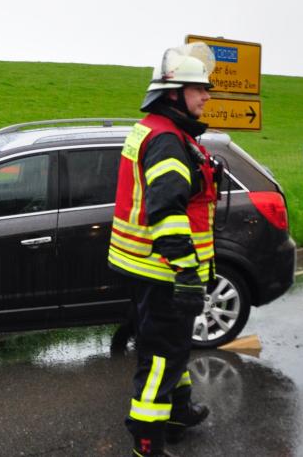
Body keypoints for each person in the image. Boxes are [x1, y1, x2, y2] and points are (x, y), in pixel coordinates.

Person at [108, 42, 220, 456]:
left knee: (172, 349)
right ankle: (146, 442)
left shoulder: (153, 129)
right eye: (199, 89)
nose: (206, 97)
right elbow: (167, 211)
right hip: (164, 271)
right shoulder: (168, 140)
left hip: (145, 266)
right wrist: (186, 270)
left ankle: (178, 411)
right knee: (160, 359)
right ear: (174, 94)